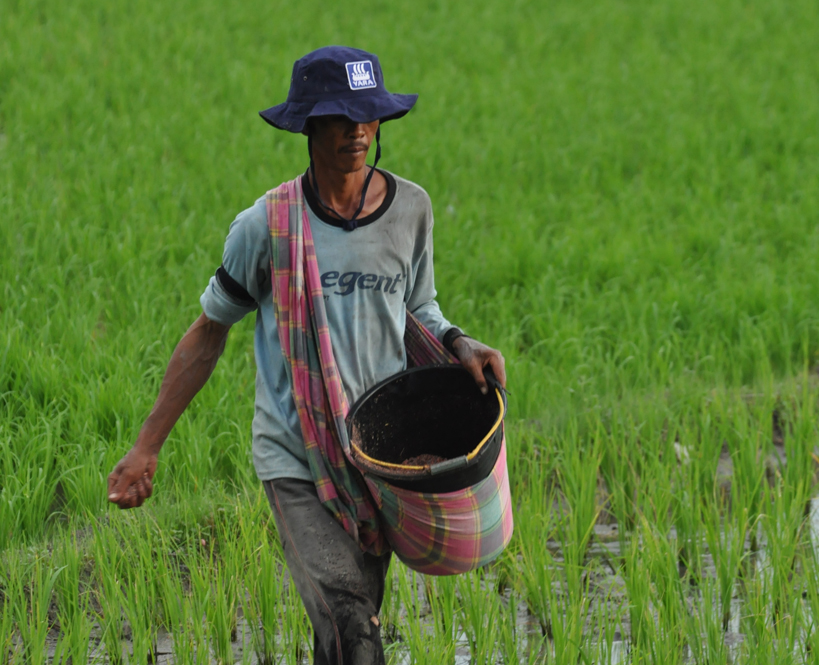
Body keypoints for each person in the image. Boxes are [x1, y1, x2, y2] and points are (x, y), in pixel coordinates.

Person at [107, 46, 506, 665]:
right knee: (353, 628)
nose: (357, 130)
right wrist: (146, 445)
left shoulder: (411, 210)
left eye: (368, 116)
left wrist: (460, 342)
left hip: (378, 457)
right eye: (340, 118)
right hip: (295, 456)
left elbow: (420, 309)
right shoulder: (267, 224)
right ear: (308, 127)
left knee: (346, 633)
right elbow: (208, 331)